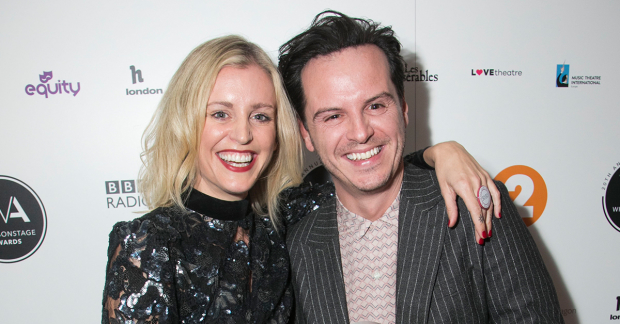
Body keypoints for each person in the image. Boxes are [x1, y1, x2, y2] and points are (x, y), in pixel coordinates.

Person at [101, 35, 503, 323]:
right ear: (186, 122)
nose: (242, 135)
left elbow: (365, 161)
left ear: (281, 131)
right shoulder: (148, 242)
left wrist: (441, 153)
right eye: (220, 113)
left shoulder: (283, 216)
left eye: (260, 115)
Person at [279, 11, 564, 324]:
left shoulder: (474, 203)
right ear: (305, 132)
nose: (360, 133)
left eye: (375, 106)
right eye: (333, 116)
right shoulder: (298, 245)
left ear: (403, 108)